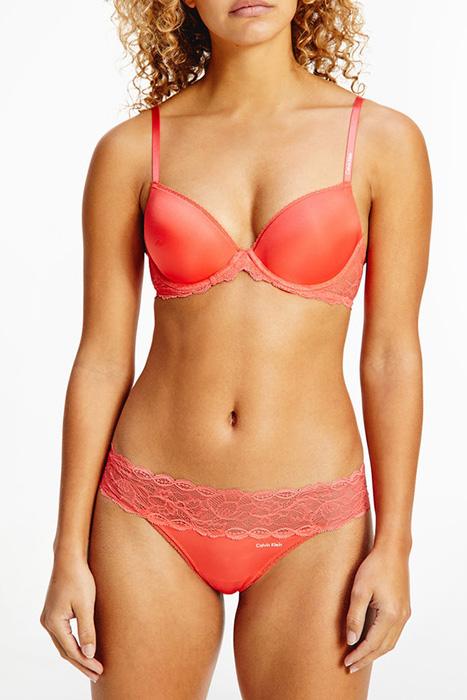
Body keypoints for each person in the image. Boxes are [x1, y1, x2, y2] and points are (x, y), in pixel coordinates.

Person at [40, 1, 432, 698]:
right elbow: (100, 359)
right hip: (147, 512)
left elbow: (392, 357)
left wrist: (395, 543)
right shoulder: (131, 150)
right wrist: (67, 549)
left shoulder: (382, 141)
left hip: (316, 524)